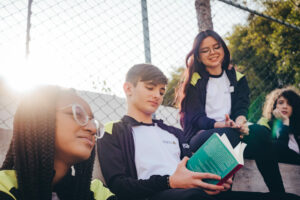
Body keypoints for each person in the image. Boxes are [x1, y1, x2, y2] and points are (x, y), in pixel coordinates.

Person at [97, 63, 274, 200]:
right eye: (150, 88)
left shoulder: (175, 133)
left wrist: (214, 179)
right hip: (158, 194)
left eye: (161, 91)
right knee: (194, 197)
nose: (157, 96)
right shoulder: (112, 131)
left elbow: (192, 167)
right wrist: (170, 182)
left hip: (194, 192)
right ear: (128, 88)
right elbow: (119, 186)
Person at [176, 30, 295, 195]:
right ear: (198, 56)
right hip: (201, 136)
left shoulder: (238, 78)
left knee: (261, 132)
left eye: (216, 47)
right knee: (227, 135)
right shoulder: (195, 79)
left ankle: (278, 194)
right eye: (205, 50)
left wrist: (240, 123)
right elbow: (196, 118)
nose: (212, 53)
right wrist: (222, 125)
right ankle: (222, 192)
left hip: (231, 129)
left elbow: (241, 108)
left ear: (223, 49)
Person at [0, 86, 115, 200]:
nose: (93, 129)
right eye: (77, 114)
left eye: (93, 122)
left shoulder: (96, 192)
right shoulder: (4, 186)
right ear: (40, 119)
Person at [258, 86, 300, 164]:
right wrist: (285, 122)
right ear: (274, 106)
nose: (285, 106)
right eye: (281, 103)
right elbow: (280, 149)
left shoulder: (297, 131)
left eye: (289, 104)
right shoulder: (266, 126)